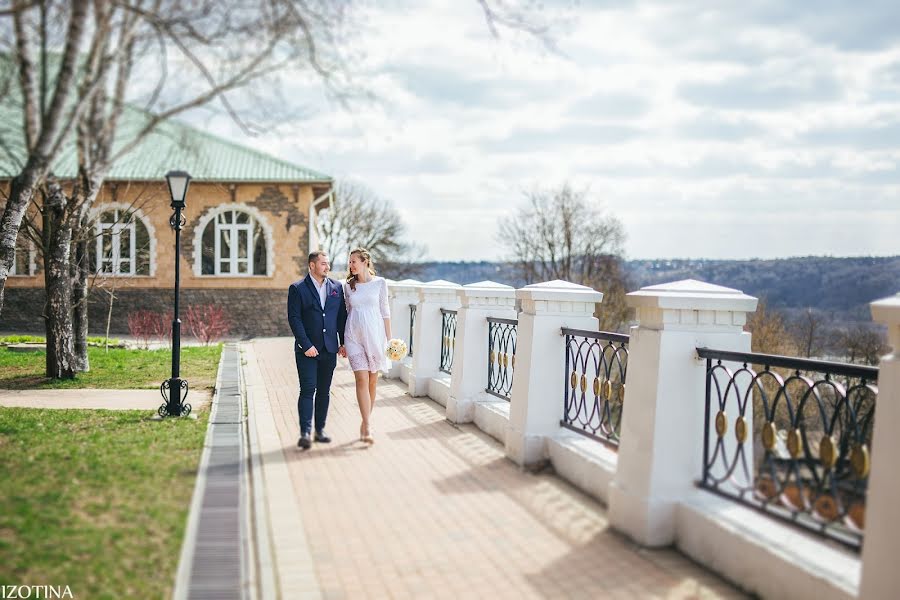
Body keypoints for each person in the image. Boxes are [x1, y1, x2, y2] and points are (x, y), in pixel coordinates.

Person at [287, 251, 347, 450]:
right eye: (323, 264)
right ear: (311, 266)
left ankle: (319, 431)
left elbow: (341, 318)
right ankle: (305, 433)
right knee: (307, 390)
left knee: (324, 392)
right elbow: (294, 319)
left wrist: (343, 342)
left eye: (327, 264)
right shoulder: (297, 289)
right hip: (307, 351)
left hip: (329, 349)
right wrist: (306, 345)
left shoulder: (337, 288)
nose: (327, 267)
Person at [341, 248, 391, 444]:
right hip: (353, 335)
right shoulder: (347, 286)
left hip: (375, 336)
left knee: (372, 381)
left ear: (365, 262)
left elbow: (385, 312)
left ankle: (365, 421)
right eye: (350, 262)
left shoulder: (380, 283)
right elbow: (345, 312)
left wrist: (390, 340)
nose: (351, 265)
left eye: (354, 261)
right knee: (361, 380)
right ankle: (368, 426)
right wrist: (342, 341)